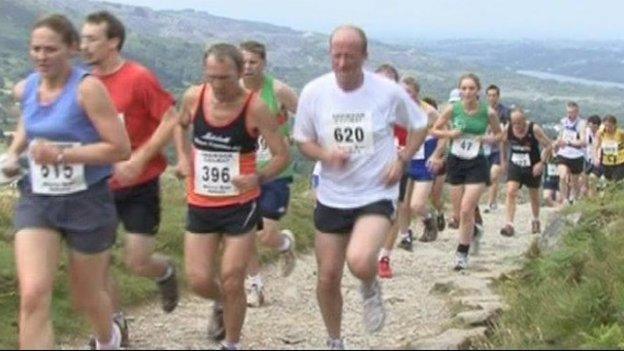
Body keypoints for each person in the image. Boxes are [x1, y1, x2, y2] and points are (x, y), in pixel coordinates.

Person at [0, 14, 131, 349]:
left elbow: (119, 148)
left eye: (50, 49)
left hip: (87, 200)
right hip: (38, 199)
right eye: (35, 49)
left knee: (86, 294)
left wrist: (62, 156)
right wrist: (15, 154)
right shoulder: (27, 87)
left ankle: (108, 339)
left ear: (71, 49)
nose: (41, 56)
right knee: (32, 295)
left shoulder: (88, 89)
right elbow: (30, 127)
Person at [293, 25, 427, 349]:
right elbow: (302, 141)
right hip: (333, 194)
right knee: (326, 277)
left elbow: (420, 124)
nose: (342, 63)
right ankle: (334, 339)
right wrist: (326, 154)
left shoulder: (387, 91)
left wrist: (403, 158)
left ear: (365, 56)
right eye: (336, 55)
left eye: (350, 56)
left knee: (361, 260)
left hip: (375, 191)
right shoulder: (315, 91)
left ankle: (369, 286)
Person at [177, 43, 289, 351]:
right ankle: (221, 304)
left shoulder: (254, 107)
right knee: (199, 280)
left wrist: (259, 177)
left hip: (240, 205)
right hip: (201, 202)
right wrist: (184, 157)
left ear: (239, 74)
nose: (218, 85)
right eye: (211, 76)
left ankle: (232, 343)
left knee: (231, 277)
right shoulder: (193, 96)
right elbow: (180, 124)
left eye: (225, 78)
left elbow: (283, 155)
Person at [80, 12, 180, 344]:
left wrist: (140, 158)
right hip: (98, 186)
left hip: (140, 184)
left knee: (137, 261)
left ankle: (164, 271)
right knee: (100, 262)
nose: (84, 45)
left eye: (92, 39)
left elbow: (171, 117)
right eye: (82, 38)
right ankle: (113, 326)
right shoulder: (83, 82)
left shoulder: (138, 77)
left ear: (113, 42)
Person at [239, 40, 298, 307]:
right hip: (245, 172)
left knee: (266, 236)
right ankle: (255, 285)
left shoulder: (278, 90)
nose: (248, 67)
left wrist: (299, 135)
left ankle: (285, 243)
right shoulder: (233, 91)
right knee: (247, 232)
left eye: (253, 62)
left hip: (276, 171)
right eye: (244, 62)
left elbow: (307, 113)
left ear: (263, 63)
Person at [431, 73, 502, 271]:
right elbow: (434, 130)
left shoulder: (488, 113)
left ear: (478, 90)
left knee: (466, 208)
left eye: (471, 88)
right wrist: (450, 134)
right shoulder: (453, 109)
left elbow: (500, 135)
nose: (467, 92)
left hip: (477, 162)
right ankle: (473, 231)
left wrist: (487, 139)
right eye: (464, 88)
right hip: (456, 161)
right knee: (457, 214)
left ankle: (462, 253)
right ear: (460, 90)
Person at [373, 63, 412, 279]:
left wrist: (403, 154)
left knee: (393, 210)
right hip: (368, 167)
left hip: (396, 166)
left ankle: (384, 257)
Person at [397, 77, 444, 249]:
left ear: (417, 92)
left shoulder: (429, 112)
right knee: (402, 202)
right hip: (406, 160)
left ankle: (428, 218)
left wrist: (437, 155)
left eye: (409, 92)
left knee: (416, 204)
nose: (405, 95)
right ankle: (405, 236)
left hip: (425, 162)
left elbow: (444, 135)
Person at [499, 108, 552, 236]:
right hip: (515, 164)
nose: (518, 126)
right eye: (515, 123)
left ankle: (535, 219)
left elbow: (549, 145)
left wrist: (541, 163)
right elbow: (503, 142)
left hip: (532, 165)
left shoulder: (534, 129)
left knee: (533, 194)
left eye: (520, 123)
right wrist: (504, 160)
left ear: (525, 120)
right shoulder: (508, 129)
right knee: (511, 191)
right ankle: (509, 224)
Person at [483, 85, 510, 213]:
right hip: (484, 148)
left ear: (498, 96)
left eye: (494, 95)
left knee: (494, 175)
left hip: (498, 149)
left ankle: (491, 203)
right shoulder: (482, 110)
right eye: (489, 95)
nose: (492, 97)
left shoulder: (504, 112)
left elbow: (505, 132)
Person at [554, 101, 586, 206]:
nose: (569, 115)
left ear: (577, 112)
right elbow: (560, 136)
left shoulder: (582, 124)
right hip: (563, 154)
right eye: (568, 112)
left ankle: (574, 199)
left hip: (576, 155)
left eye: (572, 112)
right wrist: (557, 145)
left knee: (575, 181)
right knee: (562, 176)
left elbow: (583, 141)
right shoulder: (563, 121)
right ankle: (564, 200)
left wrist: (568, 142)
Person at [594, 115, 624, 181]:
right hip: (606, 163)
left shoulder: (620, 133)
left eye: (610, 126)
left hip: (619, 163)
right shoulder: (601, 133)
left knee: (616, 182)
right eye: (606, 125)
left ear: (615, 125)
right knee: (608, 181)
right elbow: (597, 146)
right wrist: (596, 157)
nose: (607, 128)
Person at [580, 115, 602, 197]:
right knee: (583, 181)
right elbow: (582, 133)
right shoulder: (587, 131)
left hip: (598, 160)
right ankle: (588, 199)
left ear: (596, 126)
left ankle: (593, 200)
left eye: (591, 125)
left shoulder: (600, 134)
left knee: (592, 179)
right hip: (588, 160)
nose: (589, 126)